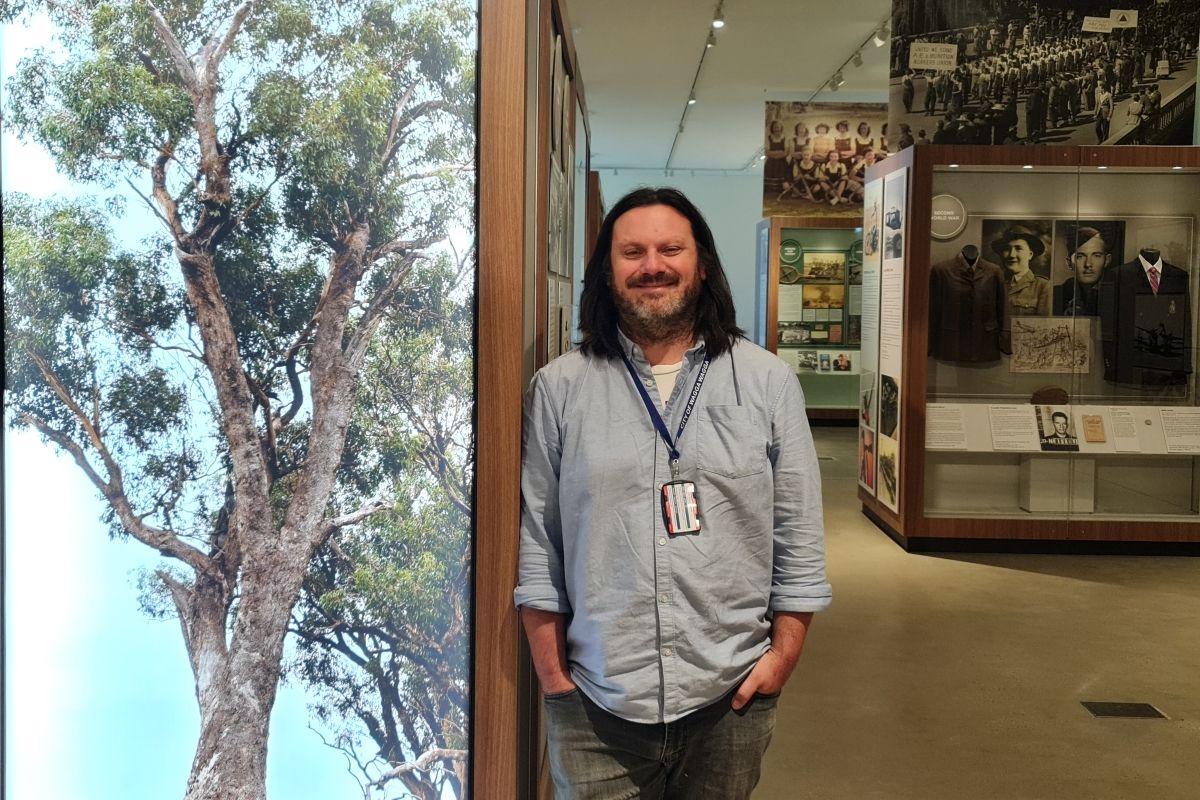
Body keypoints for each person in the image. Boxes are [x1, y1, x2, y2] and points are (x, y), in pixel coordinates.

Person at [515, 187, 832, 798]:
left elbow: (798, 535)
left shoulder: (767, 383)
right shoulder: (559, 389)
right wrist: (555, 681)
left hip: (730, 696)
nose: (652, 265)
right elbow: (539, 543)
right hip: (595, 705)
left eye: (670, 248)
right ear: (607, 273)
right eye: (631, 251)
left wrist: (782, 658)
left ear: (702, 264)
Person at [991, 224, 1050, 317]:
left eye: (1018, 248)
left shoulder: (1043, 286)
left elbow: (1042, 327)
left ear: (1030, 255)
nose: (1011, 255)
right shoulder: (994, 284)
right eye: (1007, 249)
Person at [1054, 225, 1112, 316]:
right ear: (1069, 263)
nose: (1088, 264)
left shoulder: (1118, 294)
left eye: (1096, 256)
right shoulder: (1057, 295)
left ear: (1107, 260)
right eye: (1080, 257)